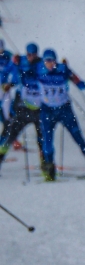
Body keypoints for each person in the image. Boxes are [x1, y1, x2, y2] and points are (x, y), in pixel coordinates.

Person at [37, 49, 85, 180]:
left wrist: (76, 80)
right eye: (47, 61)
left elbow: (81, 84)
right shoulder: (38, 70)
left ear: (55, 60)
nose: (49, 64)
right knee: (47, 141)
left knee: (79, 138)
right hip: (47, 111)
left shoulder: (63, 69)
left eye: (51, 61)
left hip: (64, 110)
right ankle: (50, 170)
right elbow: (22, 76)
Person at [0, 43, 44, 173]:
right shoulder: (20, 60)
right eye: (29, 54)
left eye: (34, 54)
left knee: (42, 138)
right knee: (10, 130)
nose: (31, 57)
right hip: (22, 104)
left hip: (38, 107)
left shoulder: (41, 63)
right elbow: (7, 71)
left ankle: (45, 164)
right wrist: (7, 83)